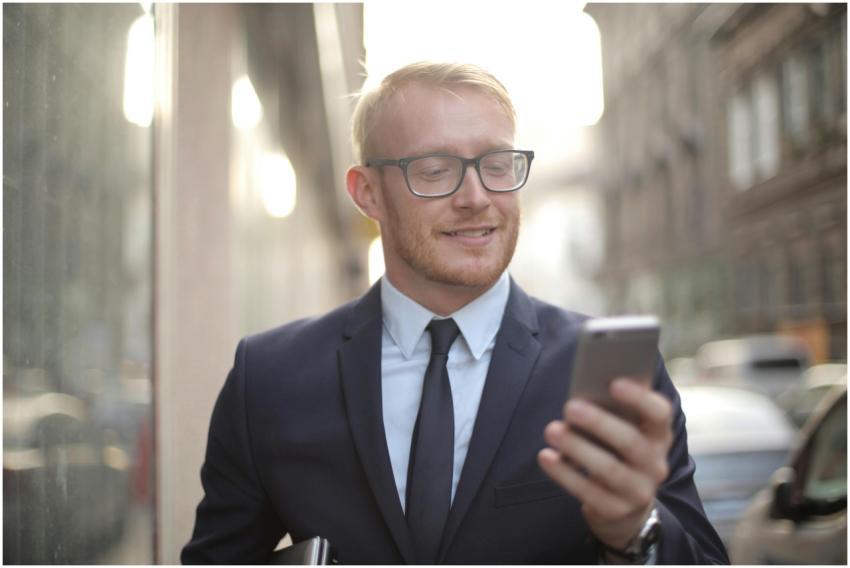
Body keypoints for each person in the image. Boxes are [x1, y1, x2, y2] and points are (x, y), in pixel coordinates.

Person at [182, 61, 728, 564]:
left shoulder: (605, 373)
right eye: (437, 169)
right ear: (367, 192)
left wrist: (636, 526)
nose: (476, 197)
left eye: (497, 164)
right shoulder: (270, 377)